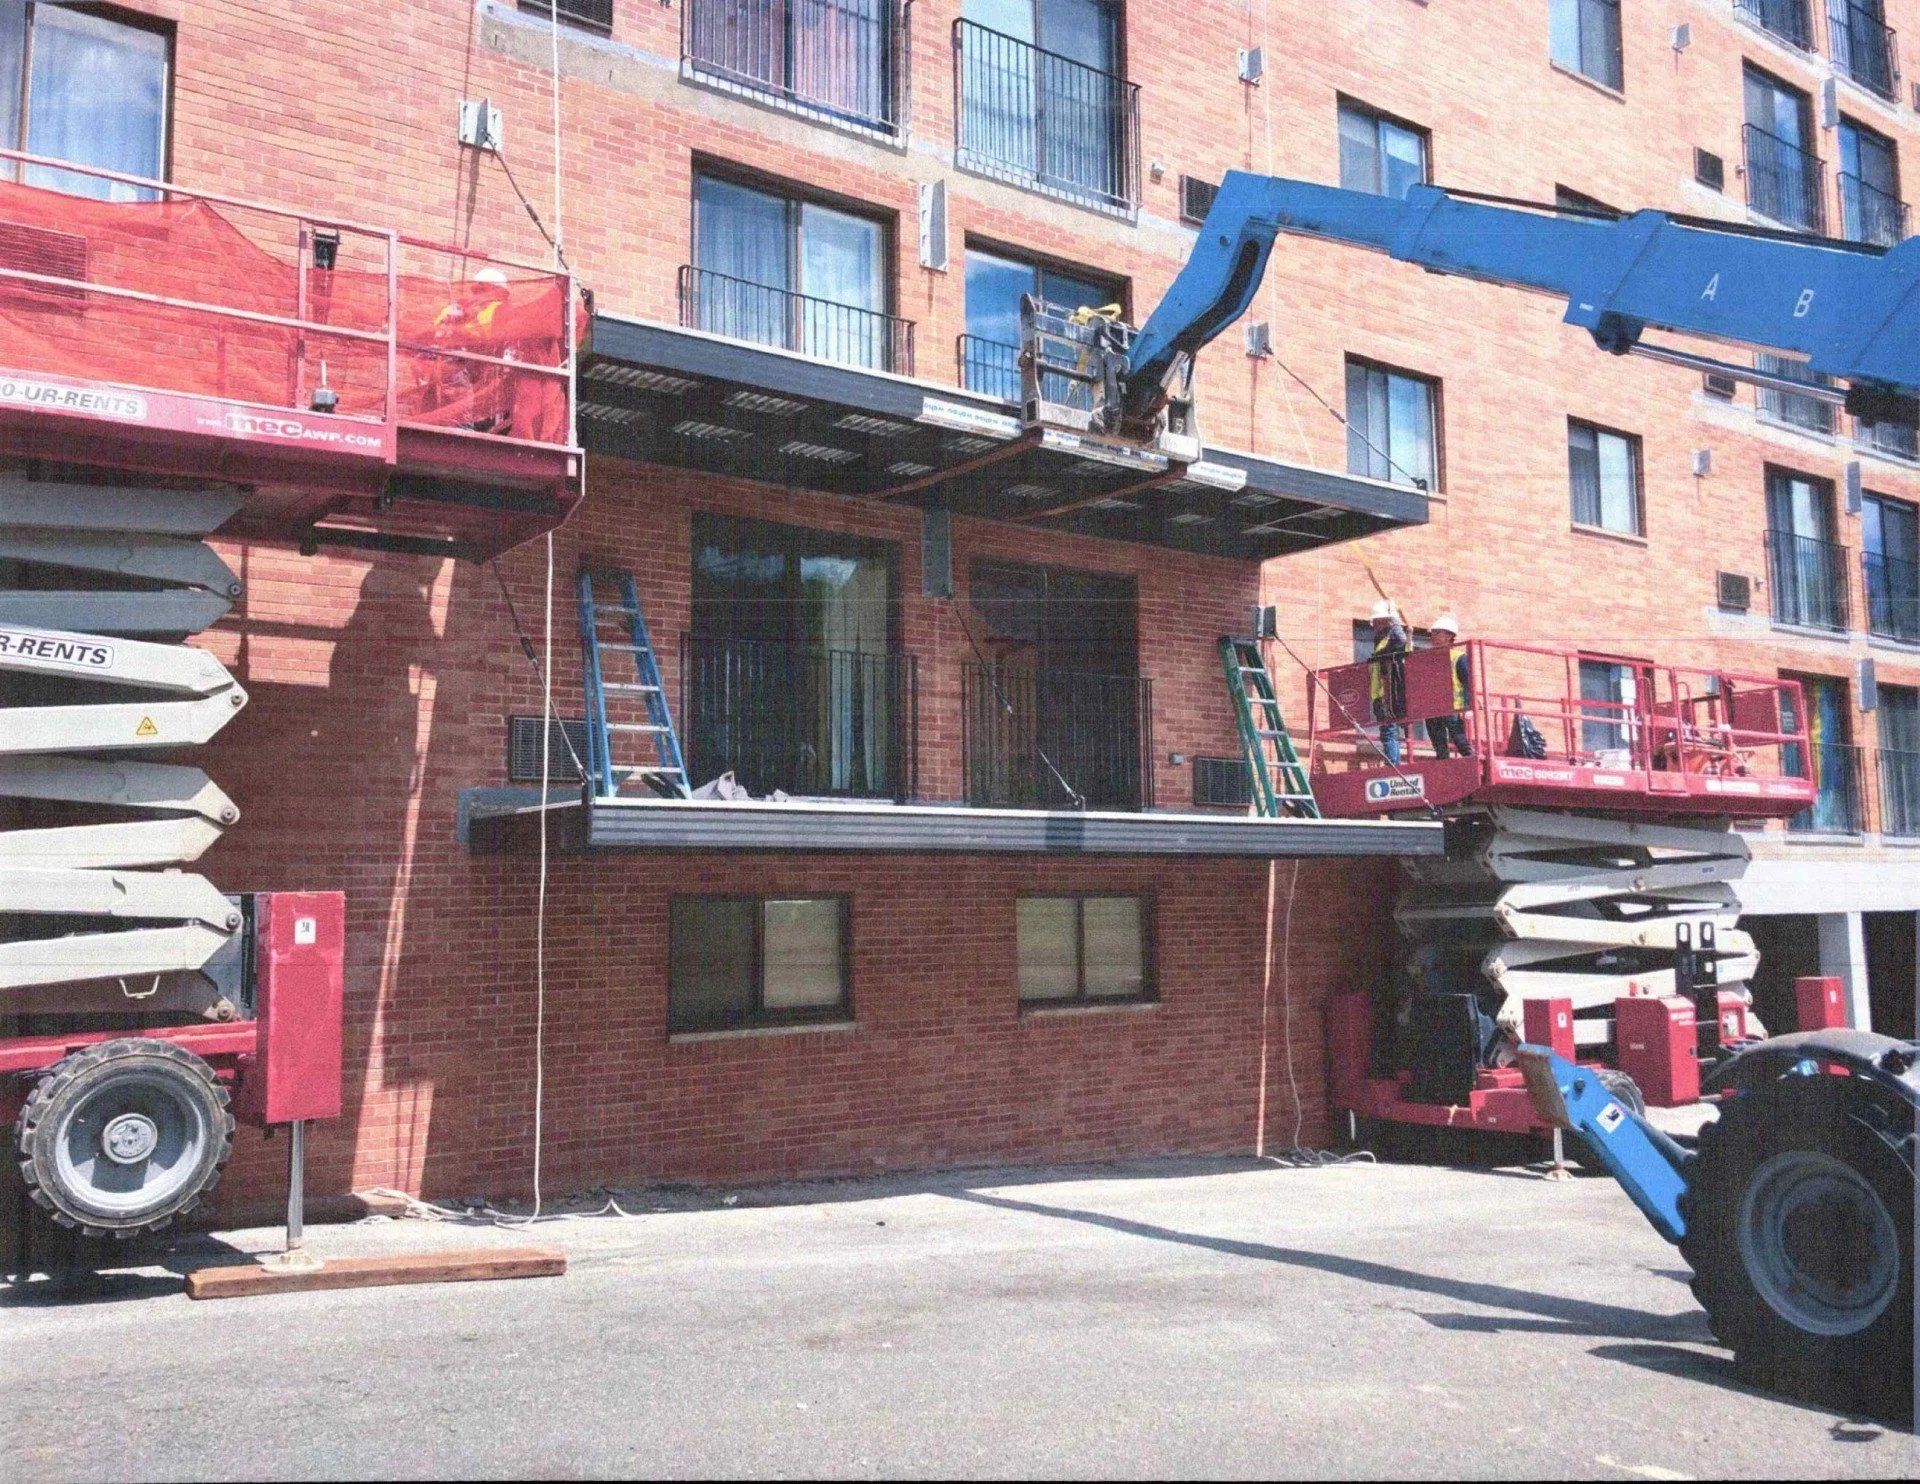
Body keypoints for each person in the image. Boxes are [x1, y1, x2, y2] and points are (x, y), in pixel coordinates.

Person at [1424, 612, 1474, 759]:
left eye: (1437, 633)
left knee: (1459, 739)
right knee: (1439, 745)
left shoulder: (1459, 657)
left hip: (1452, 706)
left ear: (1449, 636)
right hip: (1432, 708)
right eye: (1432, 633)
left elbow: (1469, 682)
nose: (1433, 636)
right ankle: (1443, 765)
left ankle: (1470, 758)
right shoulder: (1428, 658)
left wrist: (1469, 706)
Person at [1366, 597, 1409, 764]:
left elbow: (1401, 639)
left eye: (1377, 620)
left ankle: (1393, 763)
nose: (1374, 625)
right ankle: (1392, 761)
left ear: (1387, 620)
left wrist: (1396, 622)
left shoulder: (1394, 637)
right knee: (1387, 730)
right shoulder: (1381, 640)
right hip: (1379, 693)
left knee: (1389, 730)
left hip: (1388, 692)